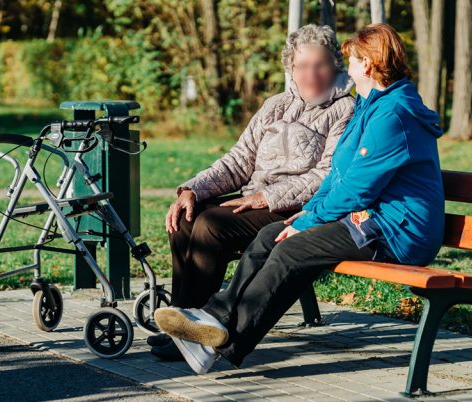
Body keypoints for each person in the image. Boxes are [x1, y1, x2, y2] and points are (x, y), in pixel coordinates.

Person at [153, 23, 445, 374]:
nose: (347, 67)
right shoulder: (372, 106)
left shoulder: (392, 114)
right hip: (372, 219)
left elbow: (357, 190)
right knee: (269, 236)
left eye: (350, 59)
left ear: (367, 64)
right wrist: (307, 213)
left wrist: (306, 219)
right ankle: (212, 321)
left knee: (292, 249)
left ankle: (226, 343)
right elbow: (339, 177)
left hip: (395, 230)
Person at [149, 24, 355, 360]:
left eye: (320, 65)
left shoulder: (344, 110)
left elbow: (326, 175)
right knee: (187, 217)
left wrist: (266, 197)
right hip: (253, 198)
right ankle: (183, 323)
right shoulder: (275, 105)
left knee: (211, 226)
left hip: (294, 207)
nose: (311, 74)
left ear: (335, 65)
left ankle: (193, 330)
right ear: (290, 69)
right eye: (301, 66)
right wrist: (193, 189)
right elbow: (238, 159)